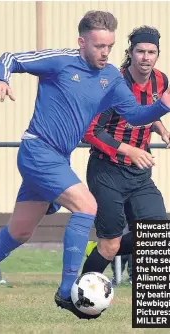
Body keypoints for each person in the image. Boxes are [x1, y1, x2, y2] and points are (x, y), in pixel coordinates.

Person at [0, 13, 170, 322]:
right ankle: (66, 291)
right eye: (99, 46)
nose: (105, 53)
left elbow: (135, 115)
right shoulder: (61, 61)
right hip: (37, 150)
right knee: (86, 206)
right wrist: (0, 77)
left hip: (57, 158)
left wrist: (163, 104)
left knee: (19, 231)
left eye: (110, 46)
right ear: (82, 42)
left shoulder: (112, 79)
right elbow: (10, 58)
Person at [82, 26, 170, 277]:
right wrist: (130, 150)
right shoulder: (112, 84)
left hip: (139, 174)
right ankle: (77, 298)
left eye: (151, 52)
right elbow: (91, 132)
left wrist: (162, 129)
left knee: (157, 235)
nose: (146, 57)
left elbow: (149, 111)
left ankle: (99, 251)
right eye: (140, 51)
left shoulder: (161, 80)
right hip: (107, 170)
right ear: (130, 53)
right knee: (111, 243)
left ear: (157, 54)